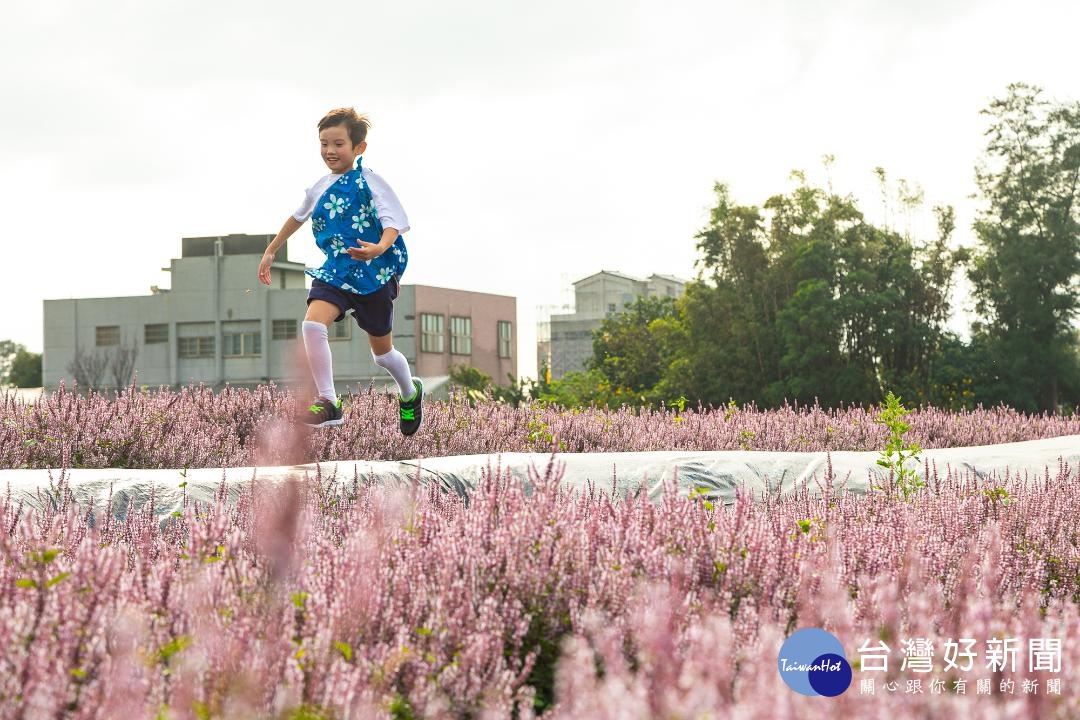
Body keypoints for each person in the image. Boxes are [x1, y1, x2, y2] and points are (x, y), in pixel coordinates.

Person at [258, 107, 423, 433]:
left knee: (383, 355)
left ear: (358, 147)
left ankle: (409, 392)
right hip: (336, 270)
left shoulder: (370, 181)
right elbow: (297, 217)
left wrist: (378, 248)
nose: (330, 151)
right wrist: (271, 249)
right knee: (312, 325)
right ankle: (329, 401)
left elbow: (394, 222)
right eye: (324, 144)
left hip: (373, 273)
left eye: (338, 144)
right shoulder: (320, 186)